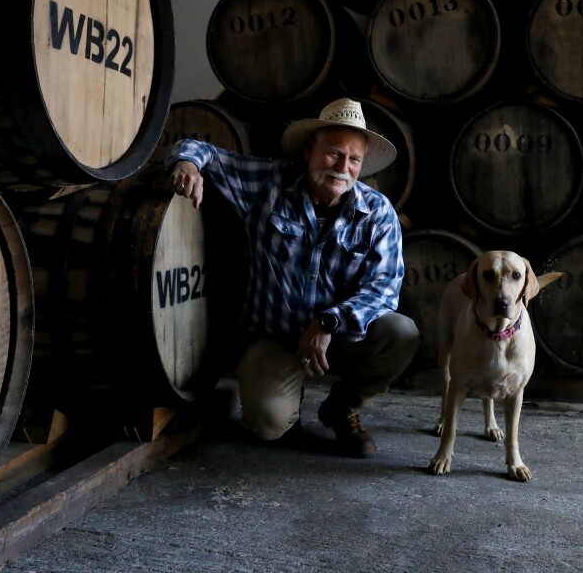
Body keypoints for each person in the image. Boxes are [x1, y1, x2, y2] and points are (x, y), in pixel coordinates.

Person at [165, 97, 419, 457]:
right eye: (333, 153)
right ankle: (285, 403)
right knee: (269, 427)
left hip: (339, 339)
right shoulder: (267, 183)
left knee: (401, 333)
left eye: (354, 159)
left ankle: (342, 410)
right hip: (276, 337)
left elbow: (383, 289)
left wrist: (328, 323)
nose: (343, 167)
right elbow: (197, 147)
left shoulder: (377, 212)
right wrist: (188, 164)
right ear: (309, 149)